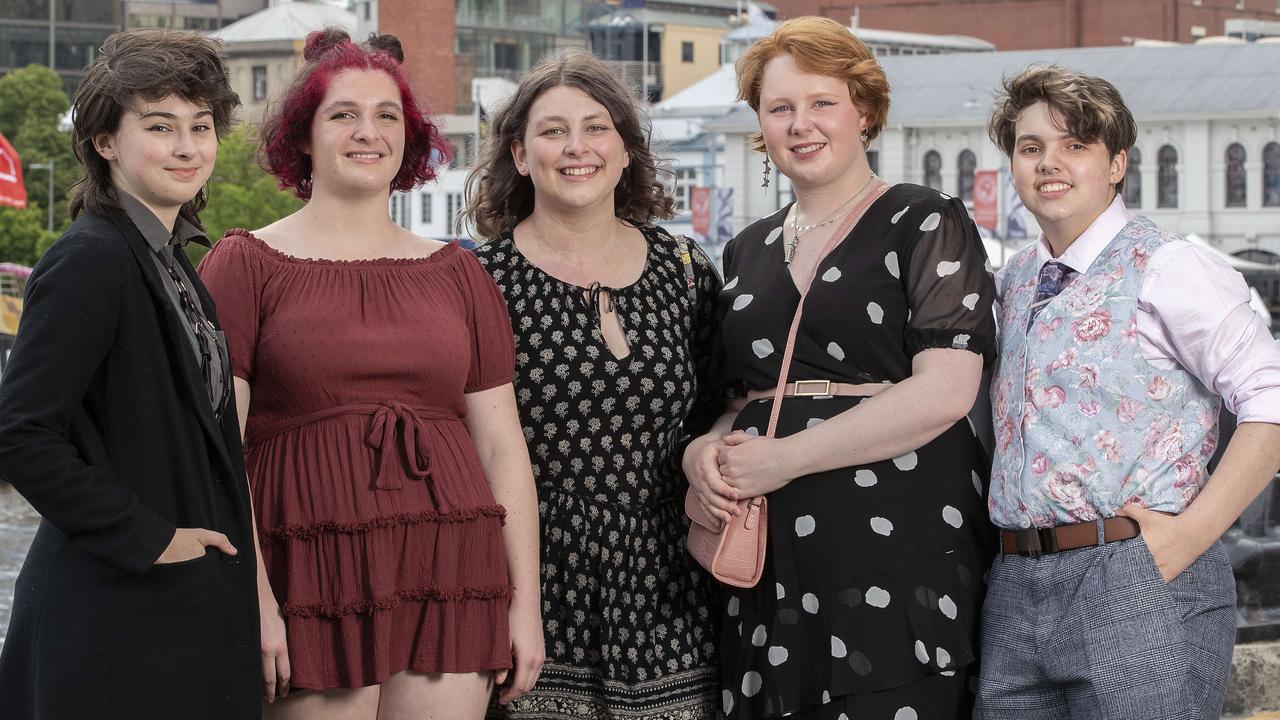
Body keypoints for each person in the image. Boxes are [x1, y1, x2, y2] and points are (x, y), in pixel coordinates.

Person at [198, 29, 542, 719]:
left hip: (450, 567)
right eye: (343, 114)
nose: (369, 132)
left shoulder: (459, 272)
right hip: (309, 571)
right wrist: (252, 597)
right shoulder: (244, 264)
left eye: (387, 115)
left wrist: (524, 605)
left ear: (408, 137)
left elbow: (504, 451)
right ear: (303, 136)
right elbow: (216, 453)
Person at [683, 17, 997, 719]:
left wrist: (784, 459)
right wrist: (703, 454)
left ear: (864, 109)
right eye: (780, 108)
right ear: (761, 126)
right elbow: (737, 399)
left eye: (822, 102)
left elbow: (947, 389)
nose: (801, 124)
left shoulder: (925, 219)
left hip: (897, 544)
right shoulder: (747, 248)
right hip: (768, 563)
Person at [976, 65, 1280, 720]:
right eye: (1031, 148)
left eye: (1074, 145)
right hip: (1015, 585)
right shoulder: (1016, 278)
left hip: (1136, 571)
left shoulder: (1169, 266)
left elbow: (1271, 401)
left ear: (1116, 164)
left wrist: (1191, 536)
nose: (1049, 163)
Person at [0, 29, 259, 719]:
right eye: (160, 126)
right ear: (106, 142)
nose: (186, 146)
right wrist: (152, 541)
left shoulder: (172, 265)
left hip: (169, 620)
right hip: (109, 621)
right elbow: (21, 433)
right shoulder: (92, 258)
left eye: (200, 126)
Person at [464, 49, 724, 719]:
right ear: (520, 155)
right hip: (535, 588)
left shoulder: (684, 268)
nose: (576, 147)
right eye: (552, 131)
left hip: (674, 588)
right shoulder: (478, 282)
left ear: (627, 148)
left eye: (596, 126)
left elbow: (725, 405)